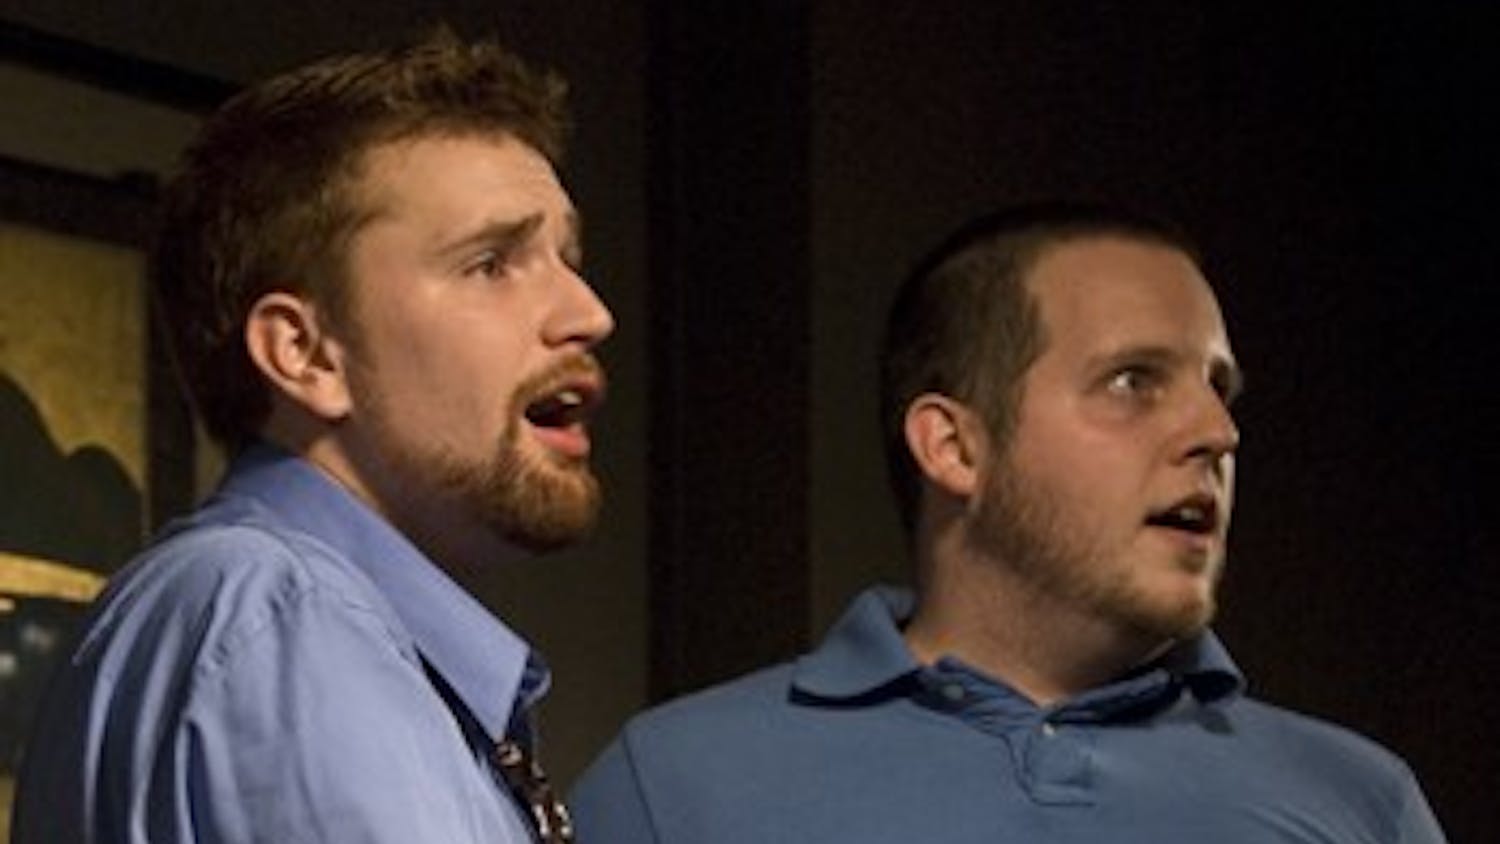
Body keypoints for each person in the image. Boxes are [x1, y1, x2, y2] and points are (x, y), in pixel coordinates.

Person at [569, 203, 1447, 842]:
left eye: (1218, 389)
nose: (1217, 433)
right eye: (1134, 382)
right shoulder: (678, 788)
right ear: (953, 446)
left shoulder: (1362, 804)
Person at [13, 31, 612, 843]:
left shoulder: (275, 619)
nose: (588, 314)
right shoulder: (285, 621)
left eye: (567, 257)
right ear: (305, 353)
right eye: (491, 263)